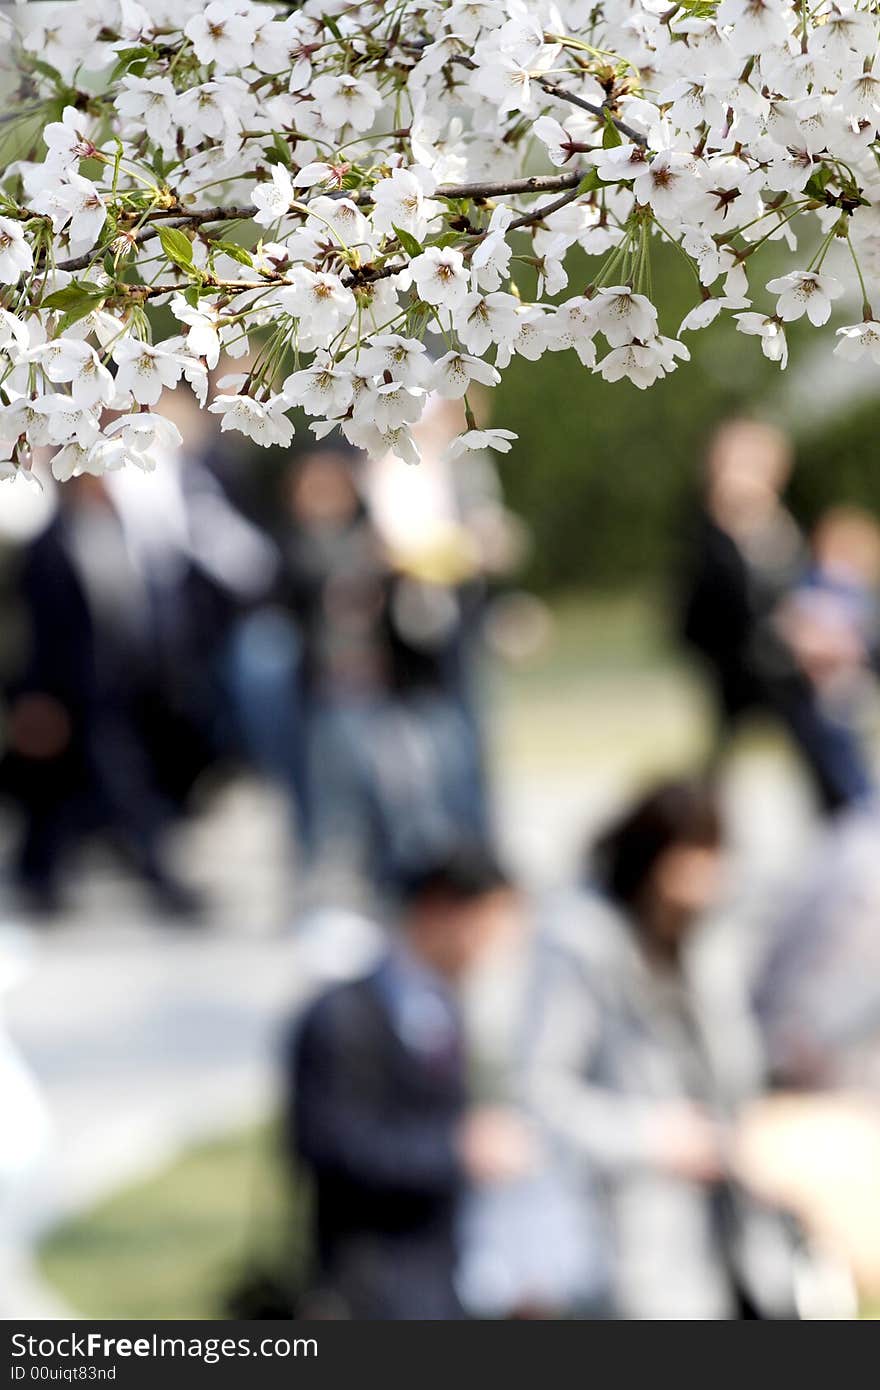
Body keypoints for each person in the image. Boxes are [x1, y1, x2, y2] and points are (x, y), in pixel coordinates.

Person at [523, 779, 801, 1319]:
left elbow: (737, 1061)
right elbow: (541, 1095)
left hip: (739, 1229)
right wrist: (654, 1138)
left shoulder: (707, 938)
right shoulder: (580, 941)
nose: (705, 881)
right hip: (629, 1233)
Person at [287, 845, 535, 1319]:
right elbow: (329, 1144)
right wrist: (455, 1150)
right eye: (491, 924)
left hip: (448, 1274)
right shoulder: (342, 1017)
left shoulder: (444, 1006)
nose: (500, 945)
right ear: (441, 911)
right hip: (372, 1280)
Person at [679, 419, 873, 813]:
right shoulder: (711, 533)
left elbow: (805, 583)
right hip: (746, 660)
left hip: (799, 658)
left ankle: (853, 809)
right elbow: (715, 603)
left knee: (832, 713)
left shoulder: (782, 525)